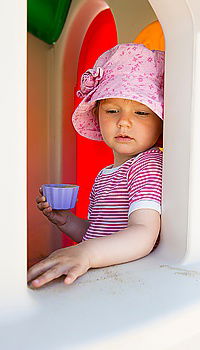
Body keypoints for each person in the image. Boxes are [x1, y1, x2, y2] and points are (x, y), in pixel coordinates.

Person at [27, 43, 165, 288]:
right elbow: (97, 232)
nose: (124, 122)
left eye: (142, 113)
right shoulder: (107, 174)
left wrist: (87, 253)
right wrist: (66, 221)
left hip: (126, 281)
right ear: (97, 115)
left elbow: (143, 233)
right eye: (112, 110)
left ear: (161, 122)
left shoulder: (147, 166)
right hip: (104, 277)